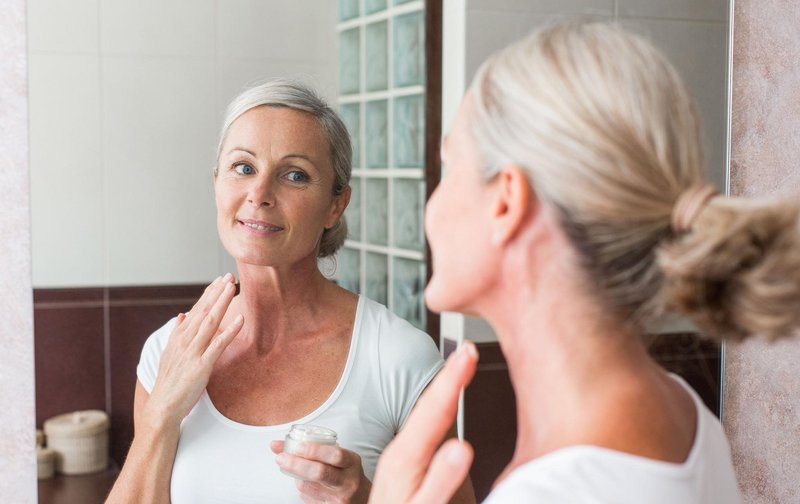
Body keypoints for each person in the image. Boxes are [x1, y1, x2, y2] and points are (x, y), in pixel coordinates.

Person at [369, 21, 800, 503]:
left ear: (506, 202)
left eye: (451, 169)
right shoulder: (686, 416)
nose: (432, 206)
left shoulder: (554, 491)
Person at [106, 80, 475, 503]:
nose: (259, 194)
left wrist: (365, 499)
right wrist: (161, 416)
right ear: (217, 183)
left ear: (336, 205)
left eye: (295, 175)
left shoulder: (395, 358)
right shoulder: (168, 355)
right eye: (243, 168)